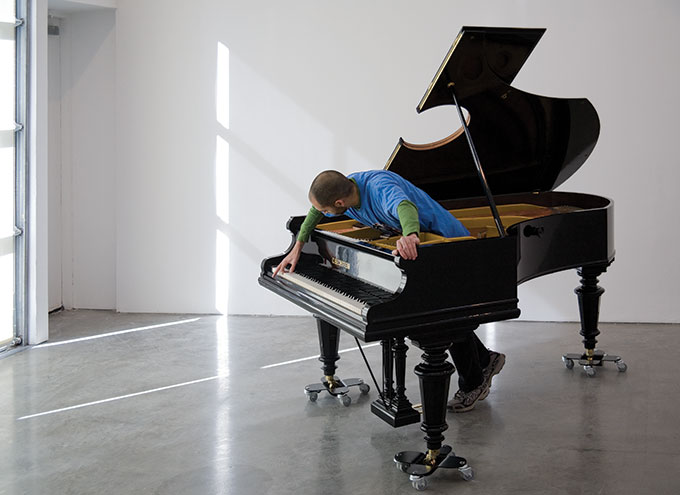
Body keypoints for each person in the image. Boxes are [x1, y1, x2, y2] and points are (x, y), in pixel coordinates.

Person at [274, 169, 505, 412]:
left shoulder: (380, 188)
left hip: (447, 243)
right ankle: (485, 359)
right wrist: (298, 245)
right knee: (441, 312)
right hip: (421, 246)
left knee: (446, 317)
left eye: (326, 211)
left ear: (340, 203)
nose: (323, 215)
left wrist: (410, 235)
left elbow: (404, 207)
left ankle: (474, 383)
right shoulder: (343, 188)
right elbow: (314, 211)